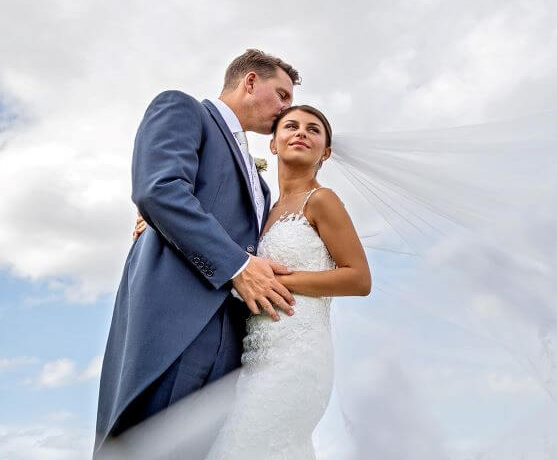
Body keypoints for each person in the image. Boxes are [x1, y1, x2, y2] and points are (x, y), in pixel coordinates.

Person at [94, 49, 302, 458]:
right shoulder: (184, 109)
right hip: (179, 322)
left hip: (235, 336)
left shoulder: (261, 186)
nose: (283, 110)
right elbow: (160, 188)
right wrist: (237, 265)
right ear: (250, 81)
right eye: (281, 96)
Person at [133, 105, 371, 458]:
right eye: (291, 126)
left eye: (313, 130)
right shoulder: (262, 210)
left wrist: (280, 281)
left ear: (327, 152)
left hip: (297, 354)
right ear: (273, 144)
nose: (301, 133)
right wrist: (157, 226)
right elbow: (216, 244)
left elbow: (359, 279)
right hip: (253, 355)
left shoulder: (322, 200)